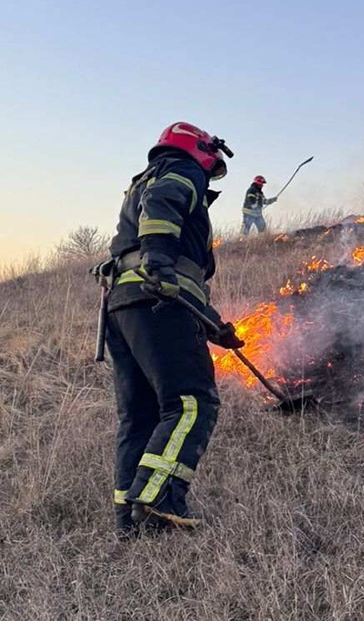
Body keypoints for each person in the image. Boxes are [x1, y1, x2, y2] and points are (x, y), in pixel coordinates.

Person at [97, 121, 245, 538]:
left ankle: (129, 519)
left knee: (140, 414)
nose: (209, 172)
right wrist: (160, 263)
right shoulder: (181, 171)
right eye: (211, 162)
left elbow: (178, 280)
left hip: (124, 305)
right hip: (156, 300)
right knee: (193, 403)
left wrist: (216, 328)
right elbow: (166, 245)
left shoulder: (142, 182)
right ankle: (161, 498)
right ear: (199, 148)